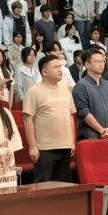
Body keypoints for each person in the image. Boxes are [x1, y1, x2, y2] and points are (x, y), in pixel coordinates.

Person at [23, 54, 76, 183]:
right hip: (44, 148)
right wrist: (32, 146)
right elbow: (27, 119)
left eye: (60, 67)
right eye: (55, 67)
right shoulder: (34, 91)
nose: (60, 70)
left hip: (65, 146)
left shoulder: (65, 91)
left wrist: (72, 141)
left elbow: (70, 117)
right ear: (44, 72)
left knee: (62, 186)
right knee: (43, 186)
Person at [73, 47, 108, 141]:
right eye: (97, 61)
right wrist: (101, 130)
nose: (101, 64)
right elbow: (84, 112)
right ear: (87, 64)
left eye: (103, 61)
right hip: (89, 136)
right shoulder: (81, 85)